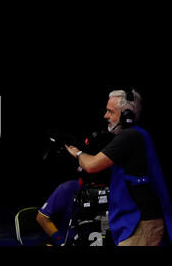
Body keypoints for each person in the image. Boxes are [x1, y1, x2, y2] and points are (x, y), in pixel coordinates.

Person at [65, 89, 172, 246]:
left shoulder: (130, 136)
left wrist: (77, 153)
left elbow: (91, 165)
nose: (105, 116)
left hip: (141, 224)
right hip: (140, 223)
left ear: (127, 115)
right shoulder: (137, 135)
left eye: (110, 111)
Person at [37, 178, 82, 246]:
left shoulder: (102, 189)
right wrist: (61, 241)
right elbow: (41, 218)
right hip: (64, 239)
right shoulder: (67, 188)